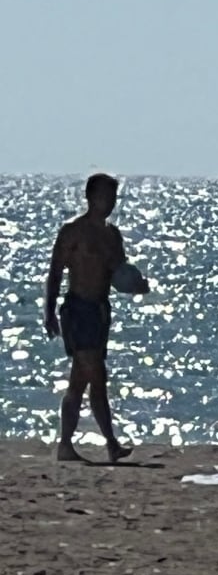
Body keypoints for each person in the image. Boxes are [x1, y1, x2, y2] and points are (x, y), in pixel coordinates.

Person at [44, 173, 149, 463]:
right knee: (97, 376)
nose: (110, 203)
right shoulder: (72, 232)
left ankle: (65, 445)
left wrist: (137, 285)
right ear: (90, 197)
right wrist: (49, 311)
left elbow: (119, 274)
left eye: (113, 197)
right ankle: (111, 443)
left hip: (100, 312)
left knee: (80, 381)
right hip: (78, 311)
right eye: (105, 196)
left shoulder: (112, 236)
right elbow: (55, 272)